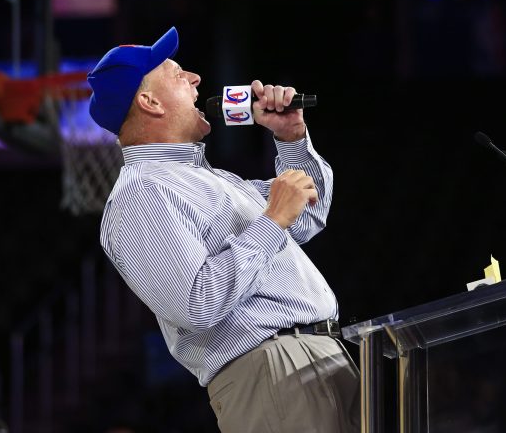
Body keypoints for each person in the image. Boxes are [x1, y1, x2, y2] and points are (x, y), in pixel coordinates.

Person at [87, 26, 360, 433]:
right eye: (177, 72)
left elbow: (308, 213)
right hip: (273, 374)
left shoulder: (209, 180)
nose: (195, 79)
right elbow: (197, 304)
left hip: (316, 360)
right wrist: (271, 222)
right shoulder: (141, 193)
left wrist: (292, 139)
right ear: (149, 102)